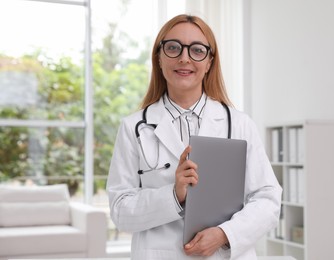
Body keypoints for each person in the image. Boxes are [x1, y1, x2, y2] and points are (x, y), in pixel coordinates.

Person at [106, 14, 282, 260]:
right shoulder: (134, 127)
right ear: (158, 57)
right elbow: (120, 211)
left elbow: (268, 200)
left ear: (210, 61)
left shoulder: (240, 124)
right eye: (173, 48)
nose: (184, 58)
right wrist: (174, 194)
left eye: (197, 50)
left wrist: (224, 234)